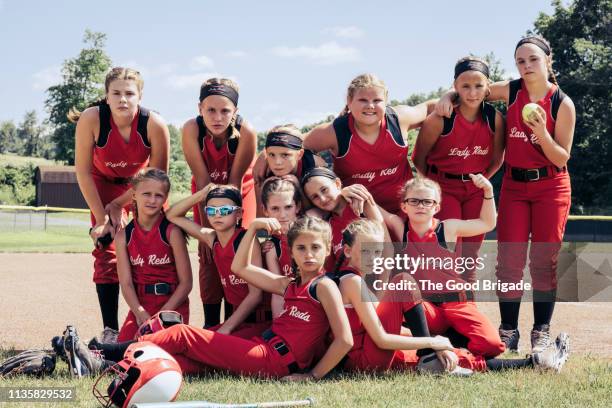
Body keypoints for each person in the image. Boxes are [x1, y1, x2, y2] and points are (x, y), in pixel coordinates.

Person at [61, 217, 353, 380]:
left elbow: (345, 340)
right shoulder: (290, 283)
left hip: (274, 361)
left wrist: (312, 376)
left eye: (316, 247)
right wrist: (251, 229)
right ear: (292, 252)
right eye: (301, 248)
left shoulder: (324, 286)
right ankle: (97, 366)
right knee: (180, 363)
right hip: (261, 348)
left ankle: (105, 352)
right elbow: (241, 268)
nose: (309, 254)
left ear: (328, 249)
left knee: (185, 336)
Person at [435, 36, 575, 353]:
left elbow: (561, 157)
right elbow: (472, 86)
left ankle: (541, 330)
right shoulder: (511, 91)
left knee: (543, 262)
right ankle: (509, 330)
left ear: (548, 61)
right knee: (509, 262)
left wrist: (540, 134)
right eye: (520, 61)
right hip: (513, 185)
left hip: (551, 186)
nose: (526, 66)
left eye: (533, 60)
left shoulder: (561, 103)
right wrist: (447, 94)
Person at [334, 219, 569, 375]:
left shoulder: (359, 278)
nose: (374, 257)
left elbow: (387, 330)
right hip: (366, 360)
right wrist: (430, 343)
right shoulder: (351, 281)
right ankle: (428, 357)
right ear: (347, 251)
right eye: (366, 250)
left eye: (377, 251)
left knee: (452, 357)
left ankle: (536, 363)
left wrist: (435, 341)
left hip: (373, 350)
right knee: (403, 282)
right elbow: (382, 339)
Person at [72, 67, 170, 331]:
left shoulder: (154, 124)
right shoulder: (92, 119)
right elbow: (82, 171)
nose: (123, 99)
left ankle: (156, 324)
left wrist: (122, 203)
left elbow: (158, 177)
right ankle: (110, 331)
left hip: (142, 186)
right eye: (116, 93)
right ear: (106, 96)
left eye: (129, 93)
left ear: (140, 96)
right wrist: (102, 218)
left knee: (154, 247)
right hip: (102, 185)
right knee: (106, 248)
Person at [383, 176, 506, 360]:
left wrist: (488, 192)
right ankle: (440, 345)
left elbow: (487, 223)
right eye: (414, 201)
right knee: (390, 328)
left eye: (427, 202)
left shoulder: (447, 228)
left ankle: (449, 343)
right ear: (404, 206)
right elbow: (373, 208)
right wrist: (347, 191)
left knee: (492, 346)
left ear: (436, 207)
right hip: (426, 308)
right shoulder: (401, 229)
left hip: (456, 302)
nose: (421, 206)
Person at [413, 57, 505, 283]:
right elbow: (418, 158)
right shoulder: (440, 119)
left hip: (475, 189)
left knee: (471, 256)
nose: (472, 92)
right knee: (449, 252)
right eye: (465, 86)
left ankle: (468, 306)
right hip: (444, 188)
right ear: (455, 87)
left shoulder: (494, 119)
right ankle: (445, 305)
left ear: (487, 88)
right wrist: (434, 187)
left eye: (478, 86)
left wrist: (481, 182)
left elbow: (497, 159)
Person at [302, 73, 437, 215]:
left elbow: (430, 107)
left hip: (406, 208)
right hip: (359, 213)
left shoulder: (398, 119)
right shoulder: (335, 132)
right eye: (363, 100)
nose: (370, 106)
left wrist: (449, 96)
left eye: (377, 100)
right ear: (349, 100)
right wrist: (317, 163)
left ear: (386, 100)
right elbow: (293, 144)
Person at [181, 78, 257, 328]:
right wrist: (207, 233)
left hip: (239, 193)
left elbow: (234, 183)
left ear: (235, 111)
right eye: (210, 110)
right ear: (199, 108)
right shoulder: (192, 129)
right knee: (209, 255)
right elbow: (203, 182)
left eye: (225, 111)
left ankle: (236, 322)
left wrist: (226, 229)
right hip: (204, 194)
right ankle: (211, 324)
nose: (217, 117)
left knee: (236, 249)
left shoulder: (246, 132)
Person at [165, 185, 270, 338]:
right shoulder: (212, 238)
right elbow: (171, 215)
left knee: (198, 342)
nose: (217, 215)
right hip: (239, 321)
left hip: (260, 321)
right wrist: (201, 195)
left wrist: (226, 328)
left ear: (239, 213)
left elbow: (256, 295)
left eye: (225, 210)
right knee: (185, 337)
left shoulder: (246, 241)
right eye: (211, 211)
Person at [114, 169, 191, 342]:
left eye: (158, 195)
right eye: (146, 194)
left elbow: (186, 283)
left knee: (160, 347)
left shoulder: (171, 232)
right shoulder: (123, 236)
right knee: (126, 351)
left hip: (172, 304)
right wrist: (141, 313)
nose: (152, 200)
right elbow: (126, 283)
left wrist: (160, 317)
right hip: (141, 305)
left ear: (165, 198)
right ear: (134, 195)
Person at [300, 167, 384, 271]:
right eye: (315, 197)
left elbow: (387, 246)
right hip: (345, 282)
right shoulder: (326, 226)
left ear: (337, 184)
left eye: (324, 190)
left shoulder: (360, 203)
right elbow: (330, 268)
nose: (322, 198)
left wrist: (382, 283)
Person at [254, 124, 326, 214]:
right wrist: (266, 189)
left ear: (300, 154)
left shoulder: (315, 166)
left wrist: (298, 188)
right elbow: (261, 216)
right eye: (272, 155)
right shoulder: (262, 172)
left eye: (285, 155)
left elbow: (325, 212)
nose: (277, 162)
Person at [259, 177, 302, 317]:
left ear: (298, 206)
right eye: (275, 209)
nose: (282, 215)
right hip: (294, 312)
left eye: (288, 207)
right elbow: (277, 293)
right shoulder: (272, 246)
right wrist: (278, 326)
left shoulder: (315, 232)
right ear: (265, 210)